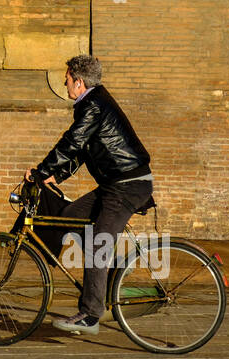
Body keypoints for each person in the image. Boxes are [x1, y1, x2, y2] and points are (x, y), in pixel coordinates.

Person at [22, 54, 154, 335]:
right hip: (114, 184)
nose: (65, 83)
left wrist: (40, 170)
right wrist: (53, 175)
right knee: (70, 217)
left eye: (67, 79)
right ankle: (114, 268)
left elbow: (73, 142)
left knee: (97, 246)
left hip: (127, 185)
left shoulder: (93, 105)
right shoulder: (94, 103)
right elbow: (82, 150)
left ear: (79, 82)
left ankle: (91, 314)